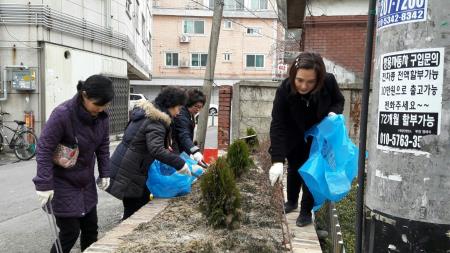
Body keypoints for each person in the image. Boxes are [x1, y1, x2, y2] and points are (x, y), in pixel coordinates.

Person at [33, 75, 114, 253]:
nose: (100, 109)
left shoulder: (102, 117)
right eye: (97, 105)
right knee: (70, 232)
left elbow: (103, 146)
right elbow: (44, 148)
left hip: (85, 182)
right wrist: (44, 183)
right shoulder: (63, 114)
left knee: (91, 229)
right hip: (62, 183)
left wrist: (105, 172)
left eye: (104, 106)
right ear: (84, 95)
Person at [268, 52, 345, 227]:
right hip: (294, 136)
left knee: (312, 173)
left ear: (319, 79)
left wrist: (334, 113)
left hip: (318, 137)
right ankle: (292, 201)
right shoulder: (284, 90)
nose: (304, 86)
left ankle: (305, 211)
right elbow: (278, 124)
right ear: (293, 75)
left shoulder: (329, 82)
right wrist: (277, 160)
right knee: (294, 169)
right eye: (300, 80)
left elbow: (339, 101)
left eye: (310, 82)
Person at [107, 87, 203, 220]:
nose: (179, 112)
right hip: (131, 171)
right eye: (178, 108)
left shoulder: (146, 113)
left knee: (137, 205)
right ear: (170, 105)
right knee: (134, 211)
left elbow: (142, 139)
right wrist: (180, 164)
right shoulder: (156, 120)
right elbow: (155, 149)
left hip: (128, 166)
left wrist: (164, 146)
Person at [172, 88, 206, 162]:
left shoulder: (189, 114)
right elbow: (184, 136)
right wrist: (195, 151)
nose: (198, 110)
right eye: (196, 106)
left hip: (182, 151)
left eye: (200, 107)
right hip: (175, 151)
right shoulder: (181, 116)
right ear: (189, 103)